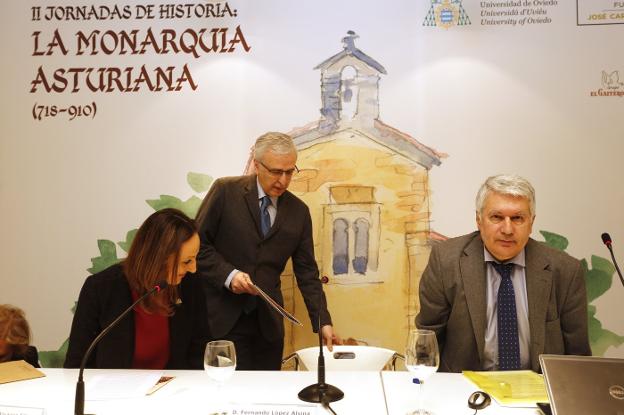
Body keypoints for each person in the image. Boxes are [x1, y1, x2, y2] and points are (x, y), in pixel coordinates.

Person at [196, 131, 341, 370]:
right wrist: (229, 275)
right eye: (276, 171)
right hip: (222, 322)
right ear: (257, 165)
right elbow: (196, 246)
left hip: (268, 328)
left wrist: (323, 321)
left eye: (289, 172)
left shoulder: (299, 212)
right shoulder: (225, 191)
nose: (283, 180)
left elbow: (307, 273)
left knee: (268, 389)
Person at [416, 174, 591, 373]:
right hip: (464, 385)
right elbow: (427, 341)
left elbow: (578, 359)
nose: (507, 229)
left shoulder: (565, 271)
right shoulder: (446, 261)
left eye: (517, 218)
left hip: (538, 387)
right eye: (497, 217)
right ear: (479, 220)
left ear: (531, 222)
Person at [64, 208, 208, 369]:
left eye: (195, 258)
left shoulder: (190, 284)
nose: (193, 269)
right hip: (114, 384)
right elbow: (76, 364)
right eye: (187, 261)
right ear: (158, 257)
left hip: (174, 383)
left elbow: (200, 353)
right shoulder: (100, 288)